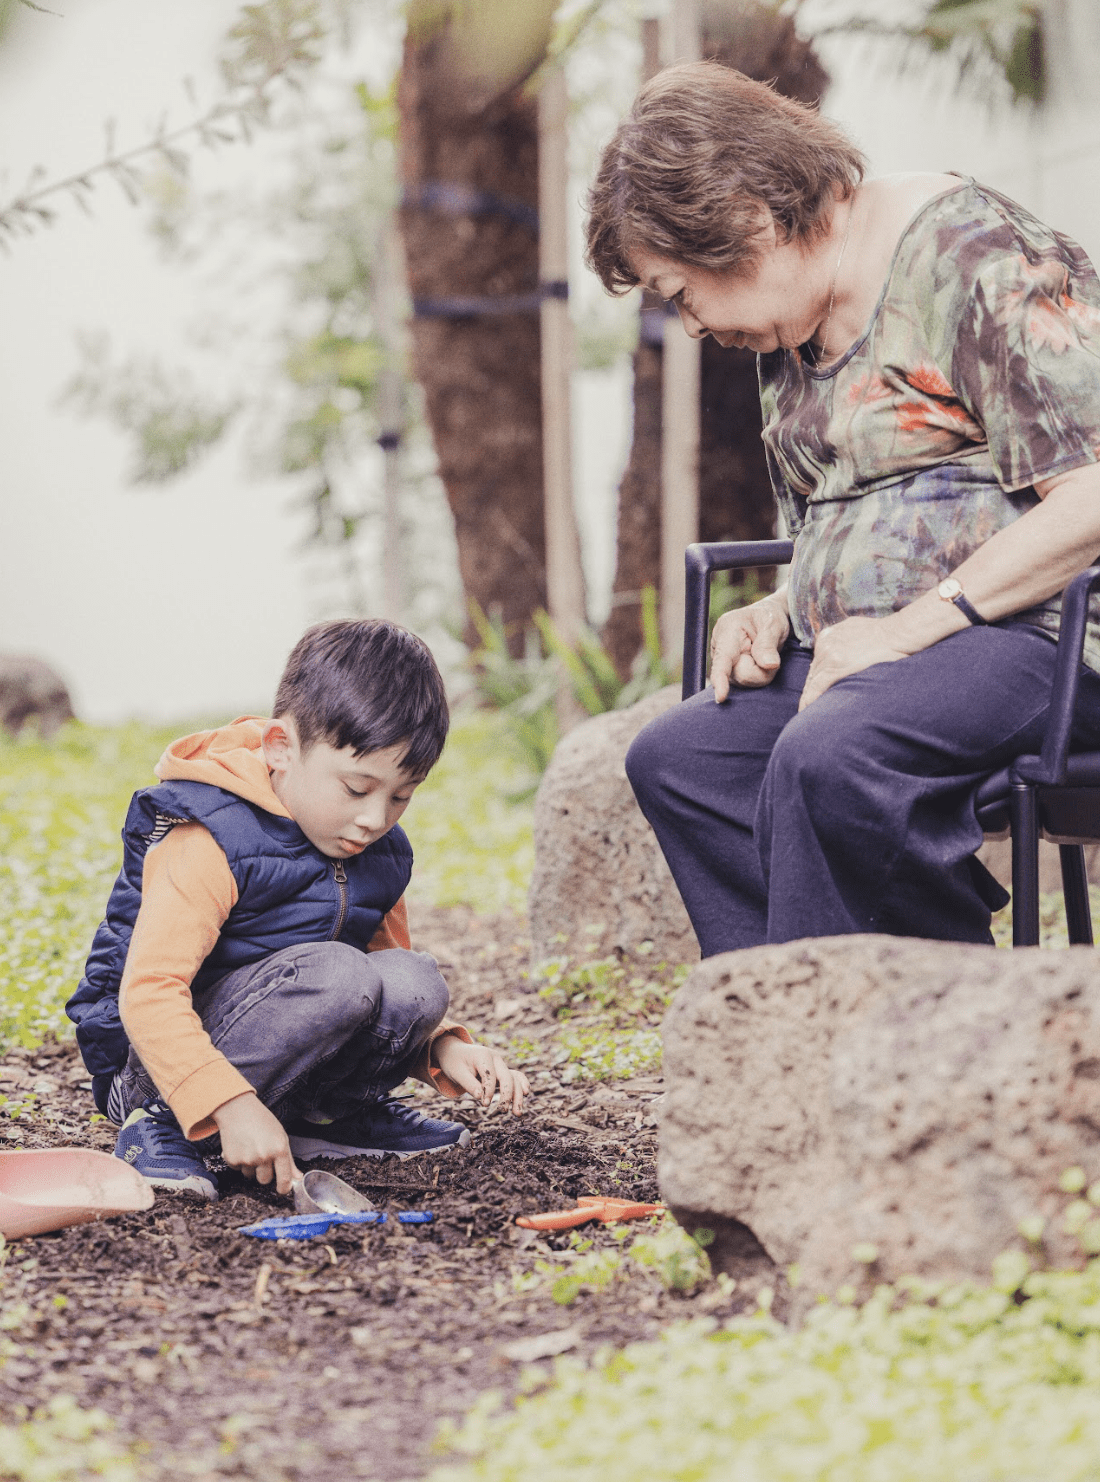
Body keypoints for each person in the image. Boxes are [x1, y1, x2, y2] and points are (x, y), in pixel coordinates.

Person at [585, 62, 1100, 957]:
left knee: (836, 754)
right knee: (685, 762)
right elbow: (849, 512)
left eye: (681, 294)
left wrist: (904, 632)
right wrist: (783, 604)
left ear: (748, 218)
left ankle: (917, 1042)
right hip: (885, 656)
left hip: (1047, 638)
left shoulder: (972, 254)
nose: (694, 324)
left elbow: (1092, 491)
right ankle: (796, 1033)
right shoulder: (787, 321)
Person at [66, 619, 530, 1201]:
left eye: (401, 796)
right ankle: (162, 1129)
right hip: (152, 1070)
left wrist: (443, 1047)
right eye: (357, 789)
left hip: (285, 1052)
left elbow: (385, 988)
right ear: (282, 748)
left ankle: (331, 1117)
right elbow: (148, 993)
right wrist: (228, 1105)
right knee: (336, 974)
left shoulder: (373, 849)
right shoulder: (212, 835)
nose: (375, 817)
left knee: (413, 979)